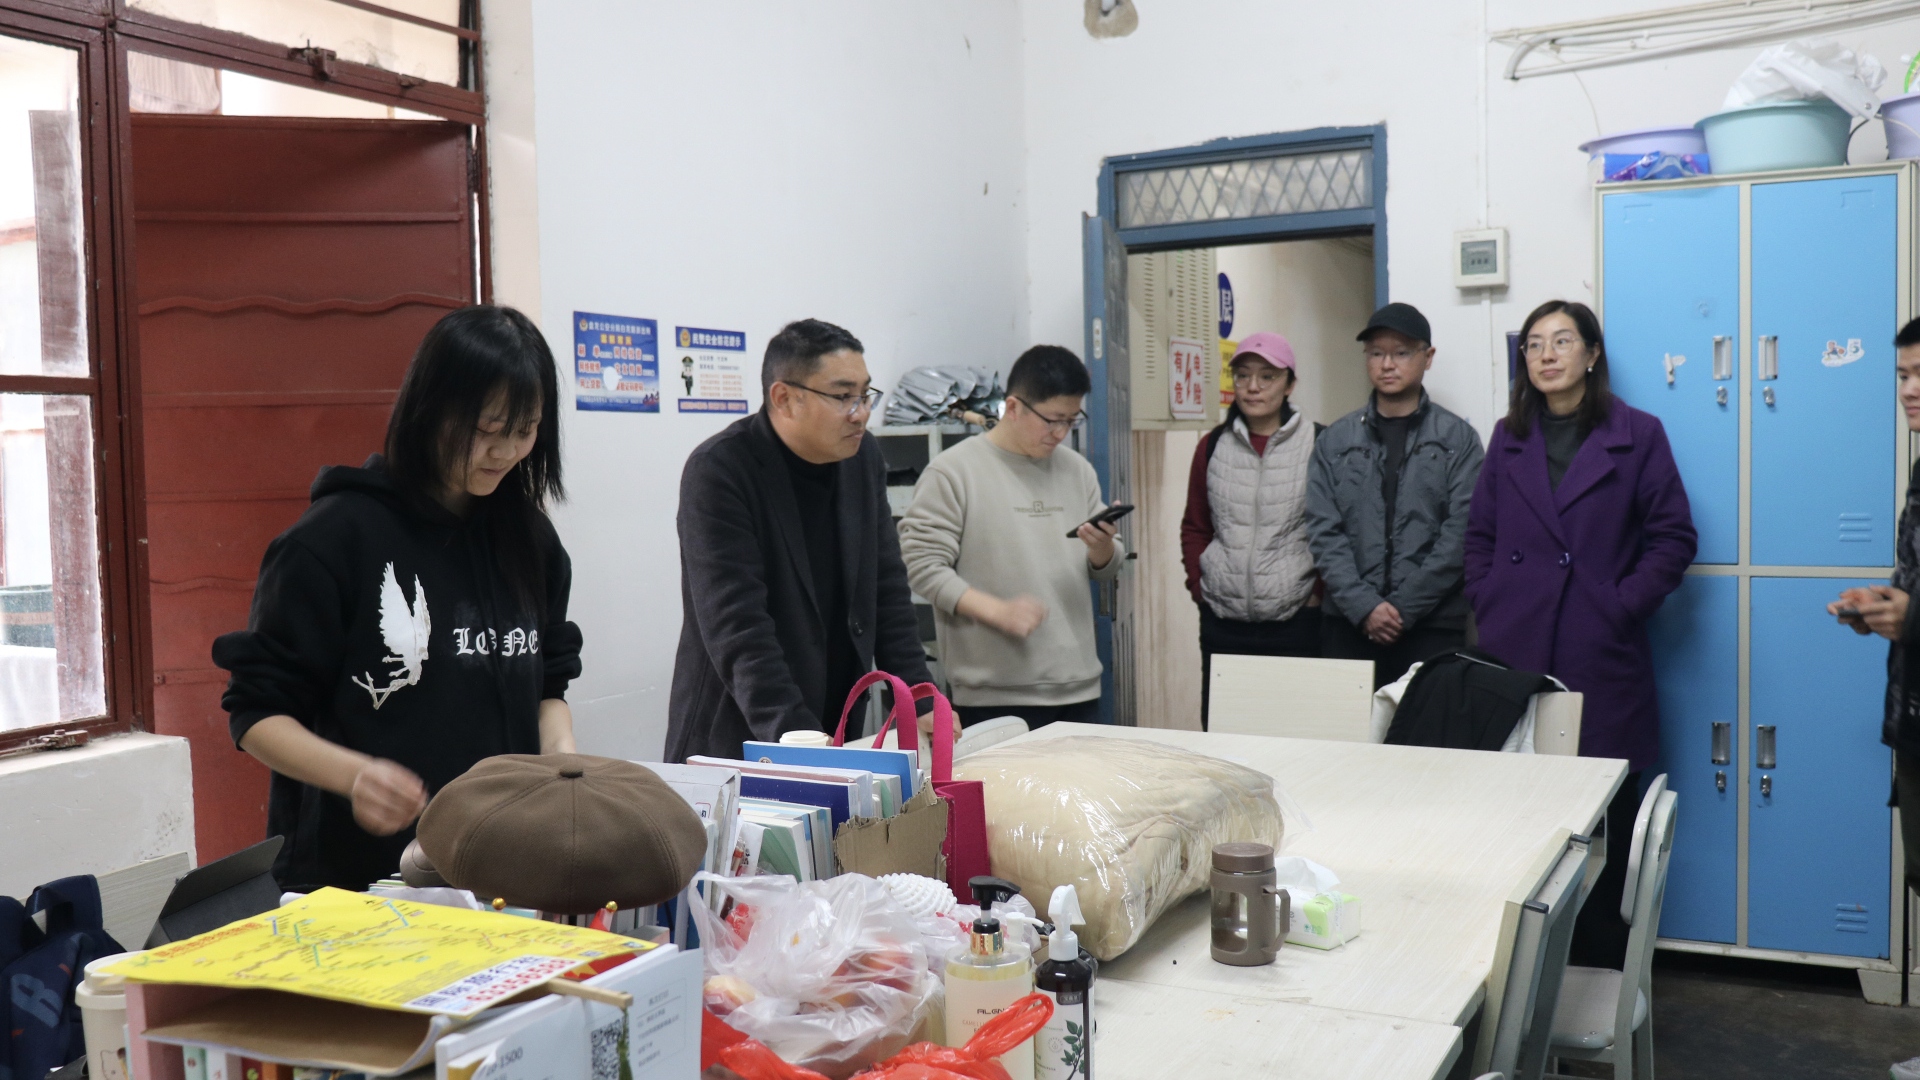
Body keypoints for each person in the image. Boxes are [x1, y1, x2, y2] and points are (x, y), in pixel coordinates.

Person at [212, 305, 582, 892]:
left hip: (494, 863)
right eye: (486, 429)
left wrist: (563, 762)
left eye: (524, 430)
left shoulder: (531, 543)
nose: (505, 452)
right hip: (357, 882)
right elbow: (255, 713)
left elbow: (547, 688)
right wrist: (357, 776)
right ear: (430, 409)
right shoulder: (333, 540)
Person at [1464, 299, 1697, 969]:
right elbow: (1479, 536)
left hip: (1599, 653)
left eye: (1562, 341)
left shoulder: (1638, 434)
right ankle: (1516, 974)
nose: (1546, 355)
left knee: (1606, 826)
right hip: (1516, 653)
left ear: (1592, 354)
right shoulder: (1508, 435)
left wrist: (1618, 606)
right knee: (1519, 821)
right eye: (1534, 344)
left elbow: (1674, 537)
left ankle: (1595, 978)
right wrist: (1491, 599)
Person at [667, 319, 931, 761]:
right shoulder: (720, 470)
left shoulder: (861, 457)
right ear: (784, 398)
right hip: (739, 735)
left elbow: (886, 589)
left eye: (865, 394)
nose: (861, 412)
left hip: (832, 726)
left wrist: (919, 701)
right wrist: (799, 739)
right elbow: (737, 628)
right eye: (843, 396)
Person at [899, 346, 1123, 730]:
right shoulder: (953, 472)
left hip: (1079, 686)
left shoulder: (1077, 470)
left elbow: (1105, 567)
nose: (1061, 433)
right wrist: (997, 611)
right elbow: (922, 568)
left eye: (1071, 420)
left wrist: (1103, 548)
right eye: (1052, 420)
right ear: (1014, 407)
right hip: (992, 694)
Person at [1305, 302, 1484, 688]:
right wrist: (1364, 606)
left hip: (1433, 625)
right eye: (1376, 353)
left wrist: (1404, 607)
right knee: (1347, 728)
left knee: (1426, 726)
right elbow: (1323, 531)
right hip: (1348, 625)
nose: (1387, 364)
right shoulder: (1334, 440)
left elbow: (1462, 532)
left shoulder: (1459, 440)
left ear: (1427, 357)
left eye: (1401, 353)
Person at [1180, 332, 1320, 726]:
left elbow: (1334, 531)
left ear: (1289, 384)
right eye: (1242, 376)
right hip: (1223, 623)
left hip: (1296, 622)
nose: (1253, 387)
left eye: (1267, 376)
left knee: (1295, 734)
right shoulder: (1212, 445)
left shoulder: (1319, 443)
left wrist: (1317, 595)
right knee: (1227, 735)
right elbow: (1196, 526)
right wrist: (1201, 588)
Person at [1828, 318, 1920, 908]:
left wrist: (1914, 616)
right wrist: (1882, 605)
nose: (1909, 389)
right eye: (1903, 375)